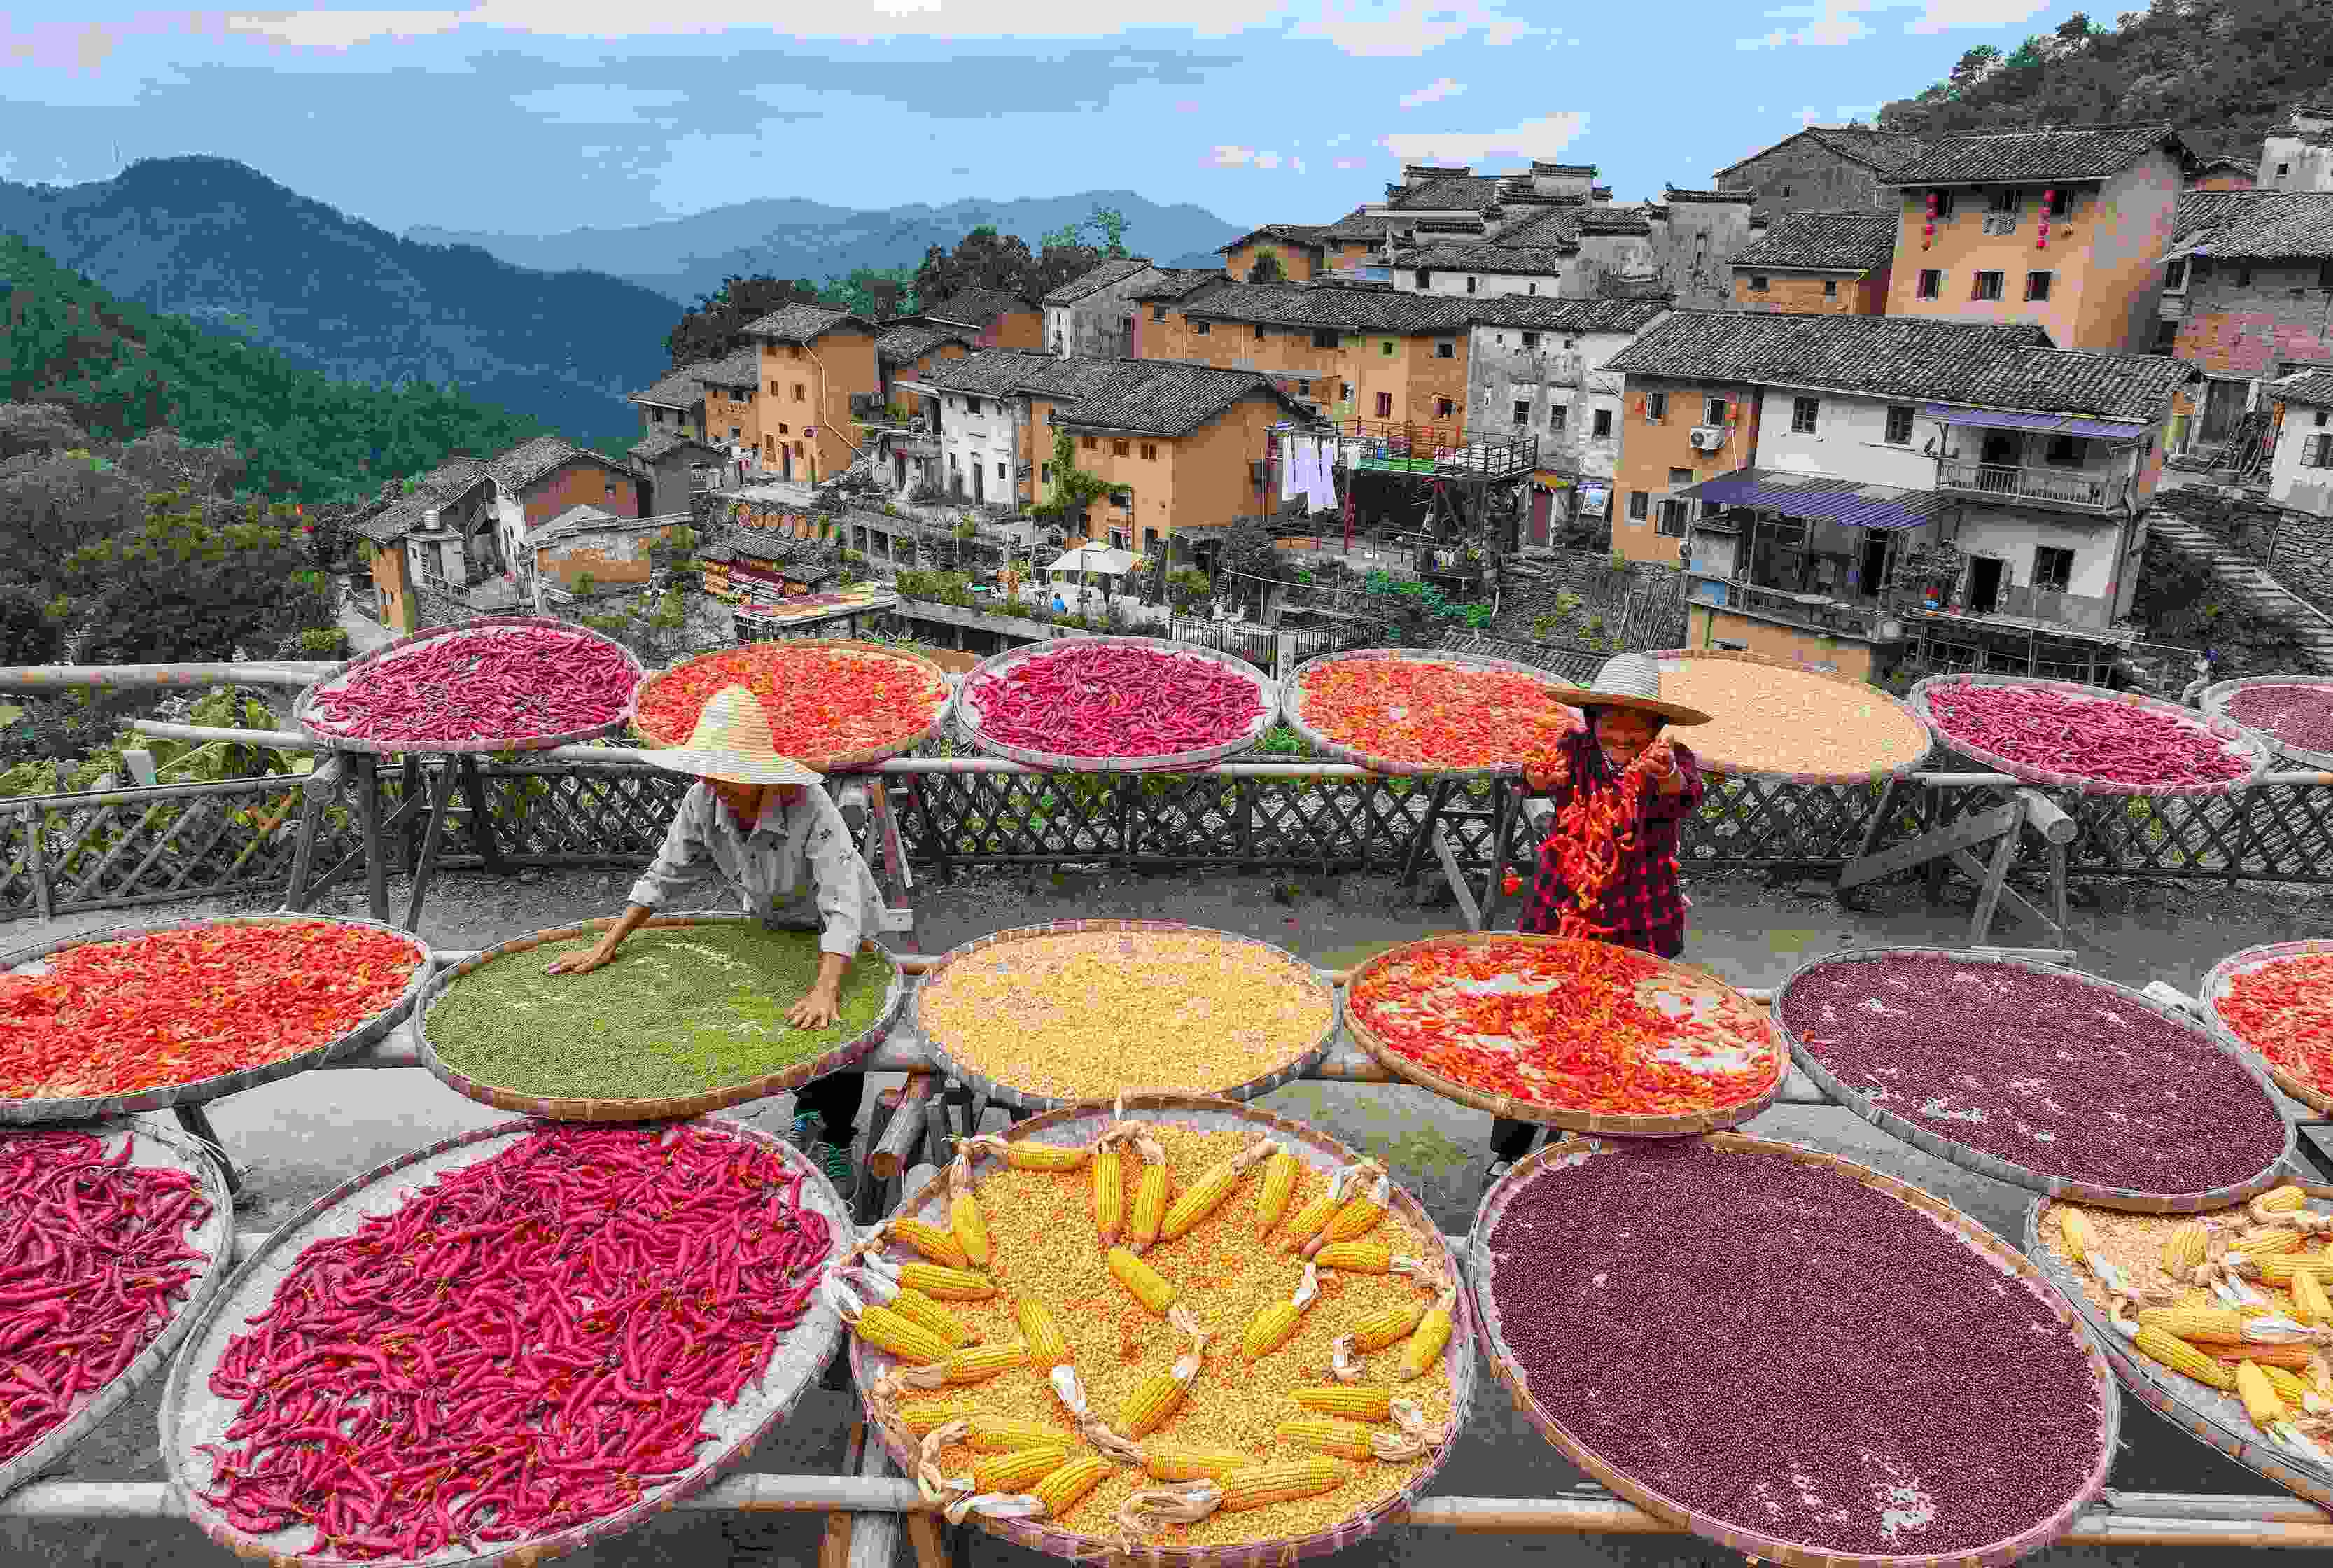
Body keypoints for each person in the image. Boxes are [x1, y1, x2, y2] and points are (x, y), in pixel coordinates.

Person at [545, 685, 883, 1191]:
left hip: (838, 924)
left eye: (726, 772)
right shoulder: (704, 800)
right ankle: (806, 1110)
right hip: (772, 921)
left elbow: (840, 900)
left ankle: (837, 1135)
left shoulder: (809, 805)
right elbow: (664, 874)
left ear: (756, 773)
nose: (713, 781)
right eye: (708, 770)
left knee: (838, 1026)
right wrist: (607, 943)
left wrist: (827, 985)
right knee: (786, 1018)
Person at [1487, 653, 1712, 1190]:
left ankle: (1584, 1138)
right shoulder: (1573, 749)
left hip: (1638, 913)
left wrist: (1664, 777)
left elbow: (1685, 792)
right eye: (1611, 721)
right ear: (1592, 719)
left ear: (1656, 727)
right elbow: (1532, 778)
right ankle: (1510, 1145)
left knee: (1617, 1028)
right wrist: (1533, 778)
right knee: (1540, 1020)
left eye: (1637, 725)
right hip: (1562, 907)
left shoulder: (1671, 760)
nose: (1623, 735)